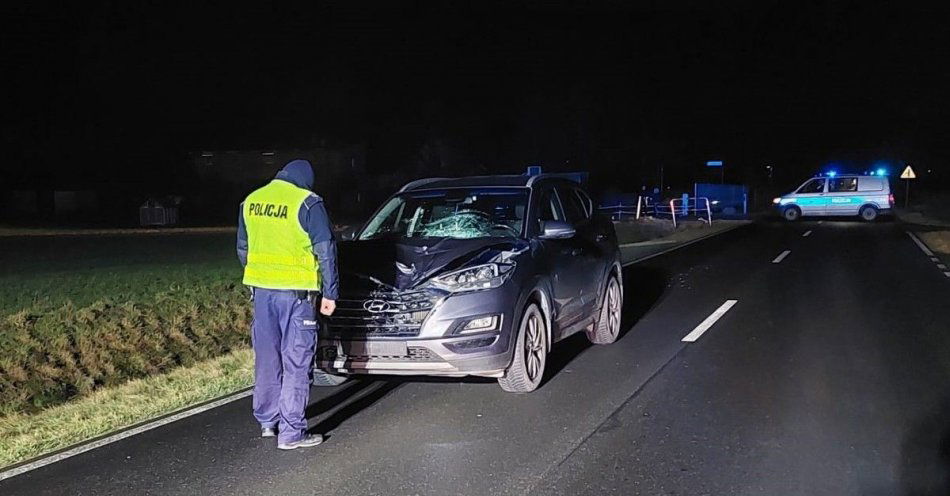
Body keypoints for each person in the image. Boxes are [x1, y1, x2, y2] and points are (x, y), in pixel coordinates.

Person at [236, 159, 339, 450]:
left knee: (267, 358)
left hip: (262, 293)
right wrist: (330, 293)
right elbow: (326, 250)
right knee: (296, 362)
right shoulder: (307, 203)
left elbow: (243, 248)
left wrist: (261, 277)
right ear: (305, 180)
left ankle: (268, 422)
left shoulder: (251, 201)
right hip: (297, 296)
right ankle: (292, 433)